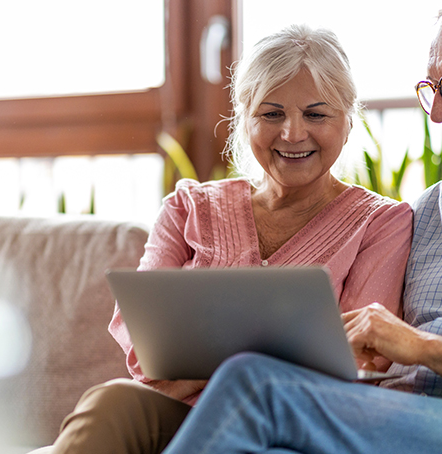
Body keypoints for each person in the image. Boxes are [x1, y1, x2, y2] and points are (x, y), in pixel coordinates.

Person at [159, 0, 442, 453]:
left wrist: (421, 347)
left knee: (254, 384)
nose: (438, 113)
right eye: (434, 89)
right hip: (386, 421)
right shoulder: (428, 213)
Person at [47, 24, 413, 454]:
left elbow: (357, 359)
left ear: (348, 123)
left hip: (287, 427)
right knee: (113, 400)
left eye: (316, 114)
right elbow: (145, 341)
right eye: (271, 113)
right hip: (180, 416)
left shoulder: (382, 223)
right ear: (244, 120)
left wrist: (202, 372)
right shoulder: (188, 206)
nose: (293, 133)